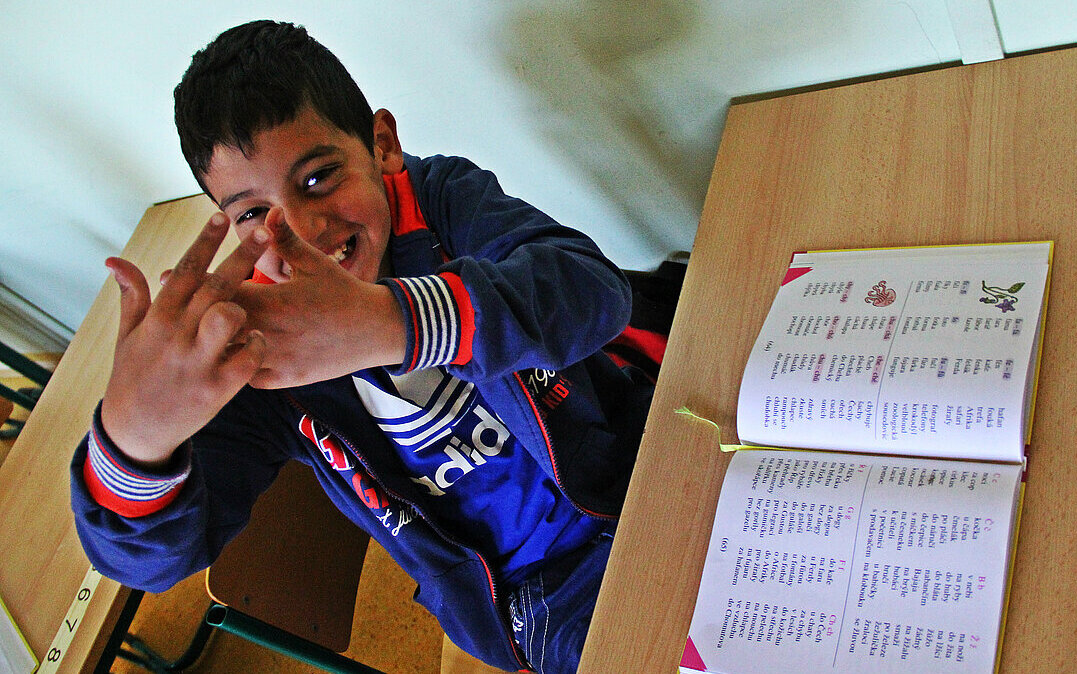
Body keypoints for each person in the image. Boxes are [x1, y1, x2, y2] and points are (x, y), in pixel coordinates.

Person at [70, 19, 656, 673]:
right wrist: (134, 443)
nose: (302, 230)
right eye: (252, 214)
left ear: (381, 147)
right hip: (543, 600)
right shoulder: (258, 350)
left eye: (318, 178)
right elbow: (152, 561)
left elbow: (592, 293)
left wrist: (394, 323)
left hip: (638, 469)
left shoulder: (438, 202)